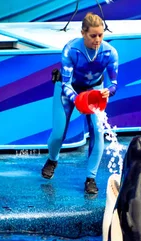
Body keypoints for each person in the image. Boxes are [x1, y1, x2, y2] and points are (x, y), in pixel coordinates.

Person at [41, 12, 119, 195]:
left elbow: (114, 84)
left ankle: (90, 178)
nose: (97, 39)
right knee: (58, 134)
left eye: (100, 35)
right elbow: (67, 84)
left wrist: (109, 91)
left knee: (98, 135)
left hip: (94, 90)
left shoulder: (110, 53)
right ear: (83, 33)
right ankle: (52, 159)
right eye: (93, 35)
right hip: (67, 90)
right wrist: (78, 100)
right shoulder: (71, 50)